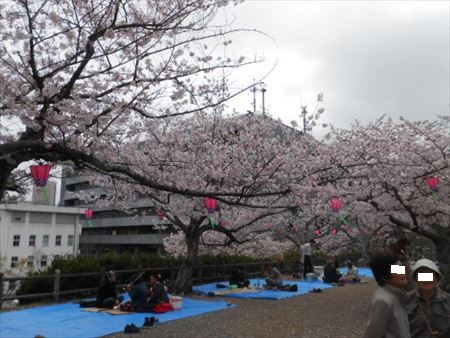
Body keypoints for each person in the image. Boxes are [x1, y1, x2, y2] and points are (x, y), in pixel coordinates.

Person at [364, 253, 410, 338]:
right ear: (384, 275)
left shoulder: (398, 295)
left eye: (402, 268)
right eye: (397, 270)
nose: (403, 272)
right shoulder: (382, 300)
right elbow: (373, 334)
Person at [407, 258, 450, 338]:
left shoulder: (447, 300)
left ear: (437, 278)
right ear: (415, 279)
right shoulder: (406, 300)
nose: (425, 280)